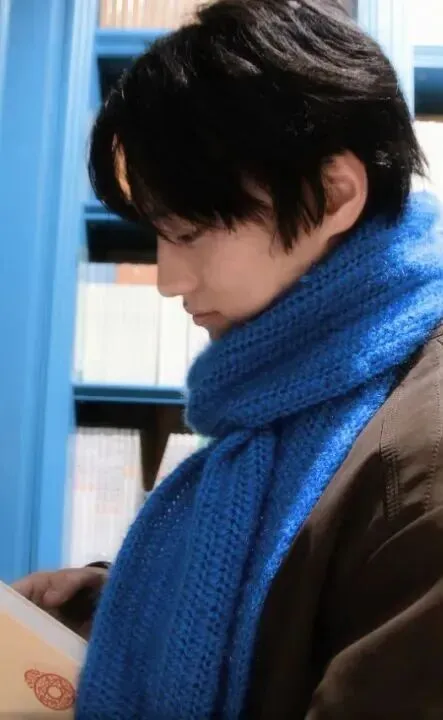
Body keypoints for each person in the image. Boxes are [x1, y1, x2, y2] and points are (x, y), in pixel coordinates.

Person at [14, 0, 443, 717]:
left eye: (191, 233)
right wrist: (116, 606)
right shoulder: (294, 393)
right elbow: (297, 604)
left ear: (334, 194)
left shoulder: (422, 455)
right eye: (156, 234)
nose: (167, 279)